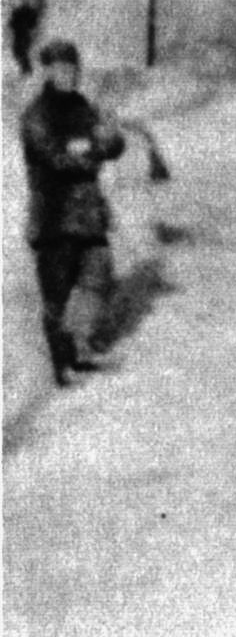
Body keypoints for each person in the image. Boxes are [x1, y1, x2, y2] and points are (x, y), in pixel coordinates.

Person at [20, 37, 126, 382]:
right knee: (57, 296)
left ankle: (76, 348)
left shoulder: (84, 106)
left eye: (73, 68)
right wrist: (91, 149)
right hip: (54, 219)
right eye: (61, 68)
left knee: (98, 275)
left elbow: (112, 144)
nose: (69, 74)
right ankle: (62, 365)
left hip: (88, 216)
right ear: (48, 71)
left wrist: (108, 139)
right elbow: (55, 157)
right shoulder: (38, 114)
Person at [7, 0, 47, 75]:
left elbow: (34, 0)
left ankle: (27, 71)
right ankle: (26, 70)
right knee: (21, 48)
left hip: (26, 16)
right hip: (25, 17)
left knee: (21, 48)